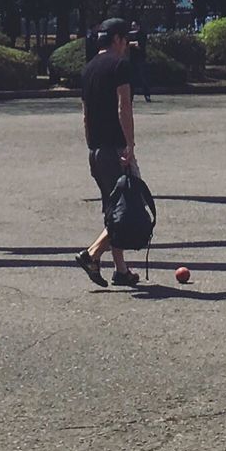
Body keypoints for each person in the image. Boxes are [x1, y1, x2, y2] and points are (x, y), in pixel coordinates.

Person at [74, 18, 140, 288]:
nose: (127, 44)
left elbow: (85, 114)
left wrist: (91, 145)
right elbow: (123, 107)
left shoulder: (88, 69)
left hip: (97, 150)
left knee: (113, 208)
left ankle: (121, 269)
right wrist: (130, 145)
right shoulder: (120, 65)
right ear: (117, 39)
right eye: (126, 39)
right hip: (115, 147)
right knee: (128, 208)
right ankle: (92, 254)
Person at [128, 20, 151, 103]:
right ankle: (130, 96)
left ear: (138, 26)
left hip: (140, 59)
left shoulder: (142, 34)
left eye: (134, 25)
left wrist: (133, 44)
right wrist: (133, 44)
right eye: (132, 25)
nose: (132, 27)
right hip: (132, 59)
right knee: (131, 78)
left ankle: (147, 95)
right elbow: (127, 44)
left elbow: (140, 46)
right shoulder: (130, 34)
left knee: (143, 78)